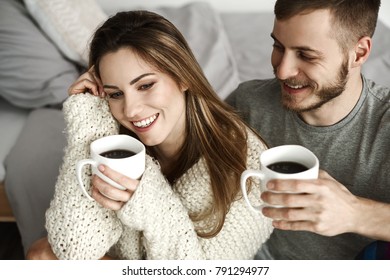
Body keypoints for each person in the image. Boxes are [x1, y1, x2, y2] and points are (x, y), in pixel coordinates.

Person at [26, 10, 273, 260]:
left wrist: (150, 204)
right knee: (41, 256)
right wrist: (87, 125)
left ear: (183, 76)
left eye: (145, 85)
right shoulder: (113, 138)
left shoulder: (246, 165)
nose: (131, 110)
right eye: (115, 94)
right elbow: (75, 247)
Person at [226, 0, 390, 259]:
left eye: (306, 55)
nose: (282, 71)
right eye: (278, 46)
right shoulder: (248, 103)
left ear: (358, 53)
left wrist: (356, 213)